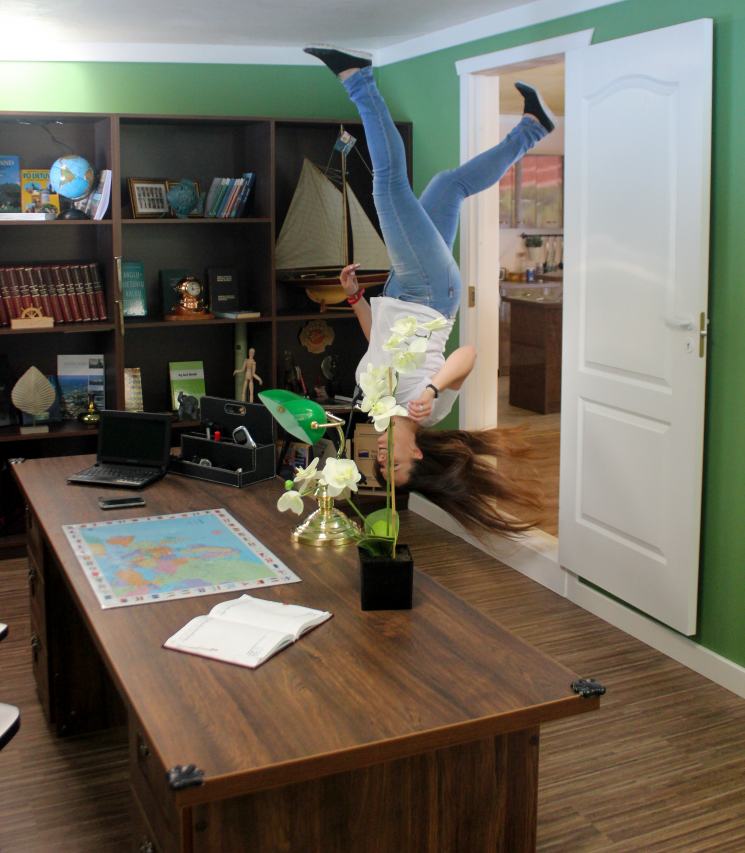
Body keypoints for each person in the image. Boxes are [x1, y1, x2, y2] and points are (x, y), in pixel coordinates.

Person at [304, 46, 554, 535]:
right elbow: (468, 354)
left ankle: (532, 129)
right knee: (387, 185)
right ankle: (359, 79)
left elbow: (379, 341)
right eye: (394, 465)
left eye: (381, 467)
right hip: (429, 293)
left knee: (447, 186)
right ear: (416, 453)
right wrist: (434, 387)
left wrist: (354, 299)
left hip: (400, 291)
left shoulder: (376, 408)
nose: (382, 460)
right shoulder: (431, 409)